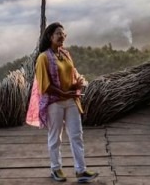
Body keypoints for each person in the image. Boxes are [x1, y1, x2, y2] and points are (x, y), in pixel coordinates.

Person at [33, 22, 99, 183]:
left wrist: (77, 84)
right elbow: (44, 85)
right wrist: (64, 92)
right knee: (55, 137)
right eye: (58, 34)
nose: (62, 36)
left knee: (77, 135)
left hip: (71, 100)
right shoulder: (43, 57)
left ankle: (81, 171)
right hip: (54, 102)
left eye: (63, 34)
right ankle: (56, 168)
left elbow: (73, 74)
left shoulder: (65, 54)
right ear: (50, 36)